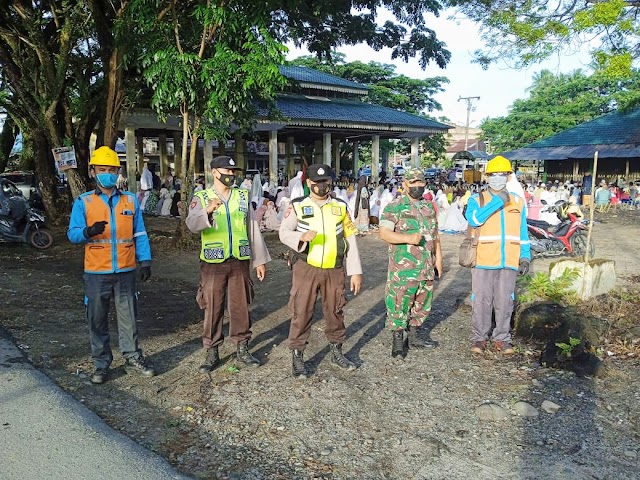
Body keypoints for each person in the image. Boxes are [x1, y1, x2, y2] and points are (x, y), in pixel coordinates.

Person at [67, 146, 155, 384]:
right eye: (102, 169)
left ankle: (133, 357)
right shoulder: (83, 202)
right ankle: (101, 364)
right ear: (93, 171)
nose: (107, 173)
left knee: (129, 317)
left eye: (112, 169)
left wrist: (145, 261)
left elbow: (140, 234)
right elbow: (72, 234)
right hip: (96, 273)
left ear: (118, 172)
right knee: (96, 319)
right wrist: (88, 231)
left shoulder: (129, 201)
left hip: (126, 271)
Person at [186, 156, 271, 373]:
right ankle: (212, 350)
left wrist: (259, 260)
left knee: (240, 306)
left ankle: (242, 348)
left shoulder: (243, 195)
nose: (231, 175)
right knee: (213, 306)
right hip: (213, 263)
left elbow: (252, 227)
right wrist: (207, 211)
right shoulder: (201, 197)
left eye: (233, 172)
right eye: (227, 171)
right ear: (214, 172)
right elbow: (192, 225)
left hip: (239, 261)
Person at [279, 164, 363, 378]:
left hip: (334, 269)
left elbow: (350, 238)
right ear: (308, 183)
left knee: (335, 310)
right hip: (306, 267)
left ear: (330, 182)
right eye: (316, 182)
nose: (321, 185)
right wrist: (300, 238)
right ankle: (297, 357)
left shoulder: (341, 207)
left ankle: (337, 351)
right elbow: (283, 232)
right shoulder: (297, 206)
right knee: (302, 310)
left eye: (325, 181)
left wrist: (355, 271)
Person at [464, 155, 531, 355]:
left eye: (502, 174)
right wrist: (497, 202)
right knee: (481, 300)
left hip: (508, 259)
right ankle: (479, 338)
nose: (498, 178)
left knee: (505, 300)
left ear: (509, 177)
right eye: (494, 175)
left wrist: (525, 255)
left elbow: (523, 231)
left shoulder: (518, 201)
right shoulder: (477, 199)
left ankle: (502, 338)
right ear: (487, 176)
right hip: (483, 258)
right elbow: (474, 220)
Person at [379, 169, 443, 358]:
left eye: (420, 183)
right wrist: (407, 238)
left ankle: (414, 334)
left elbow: (435, 235)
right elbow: (384, 233)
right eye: (413, 183)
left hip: (426, 265)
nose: (417, 187)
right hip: (404, 269)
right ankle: (398, 339)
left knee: (423, 301)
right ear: (405, 185)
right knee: (399, 301)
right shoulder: (395, 207)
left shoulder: (429, 207)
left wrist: (438, 259)